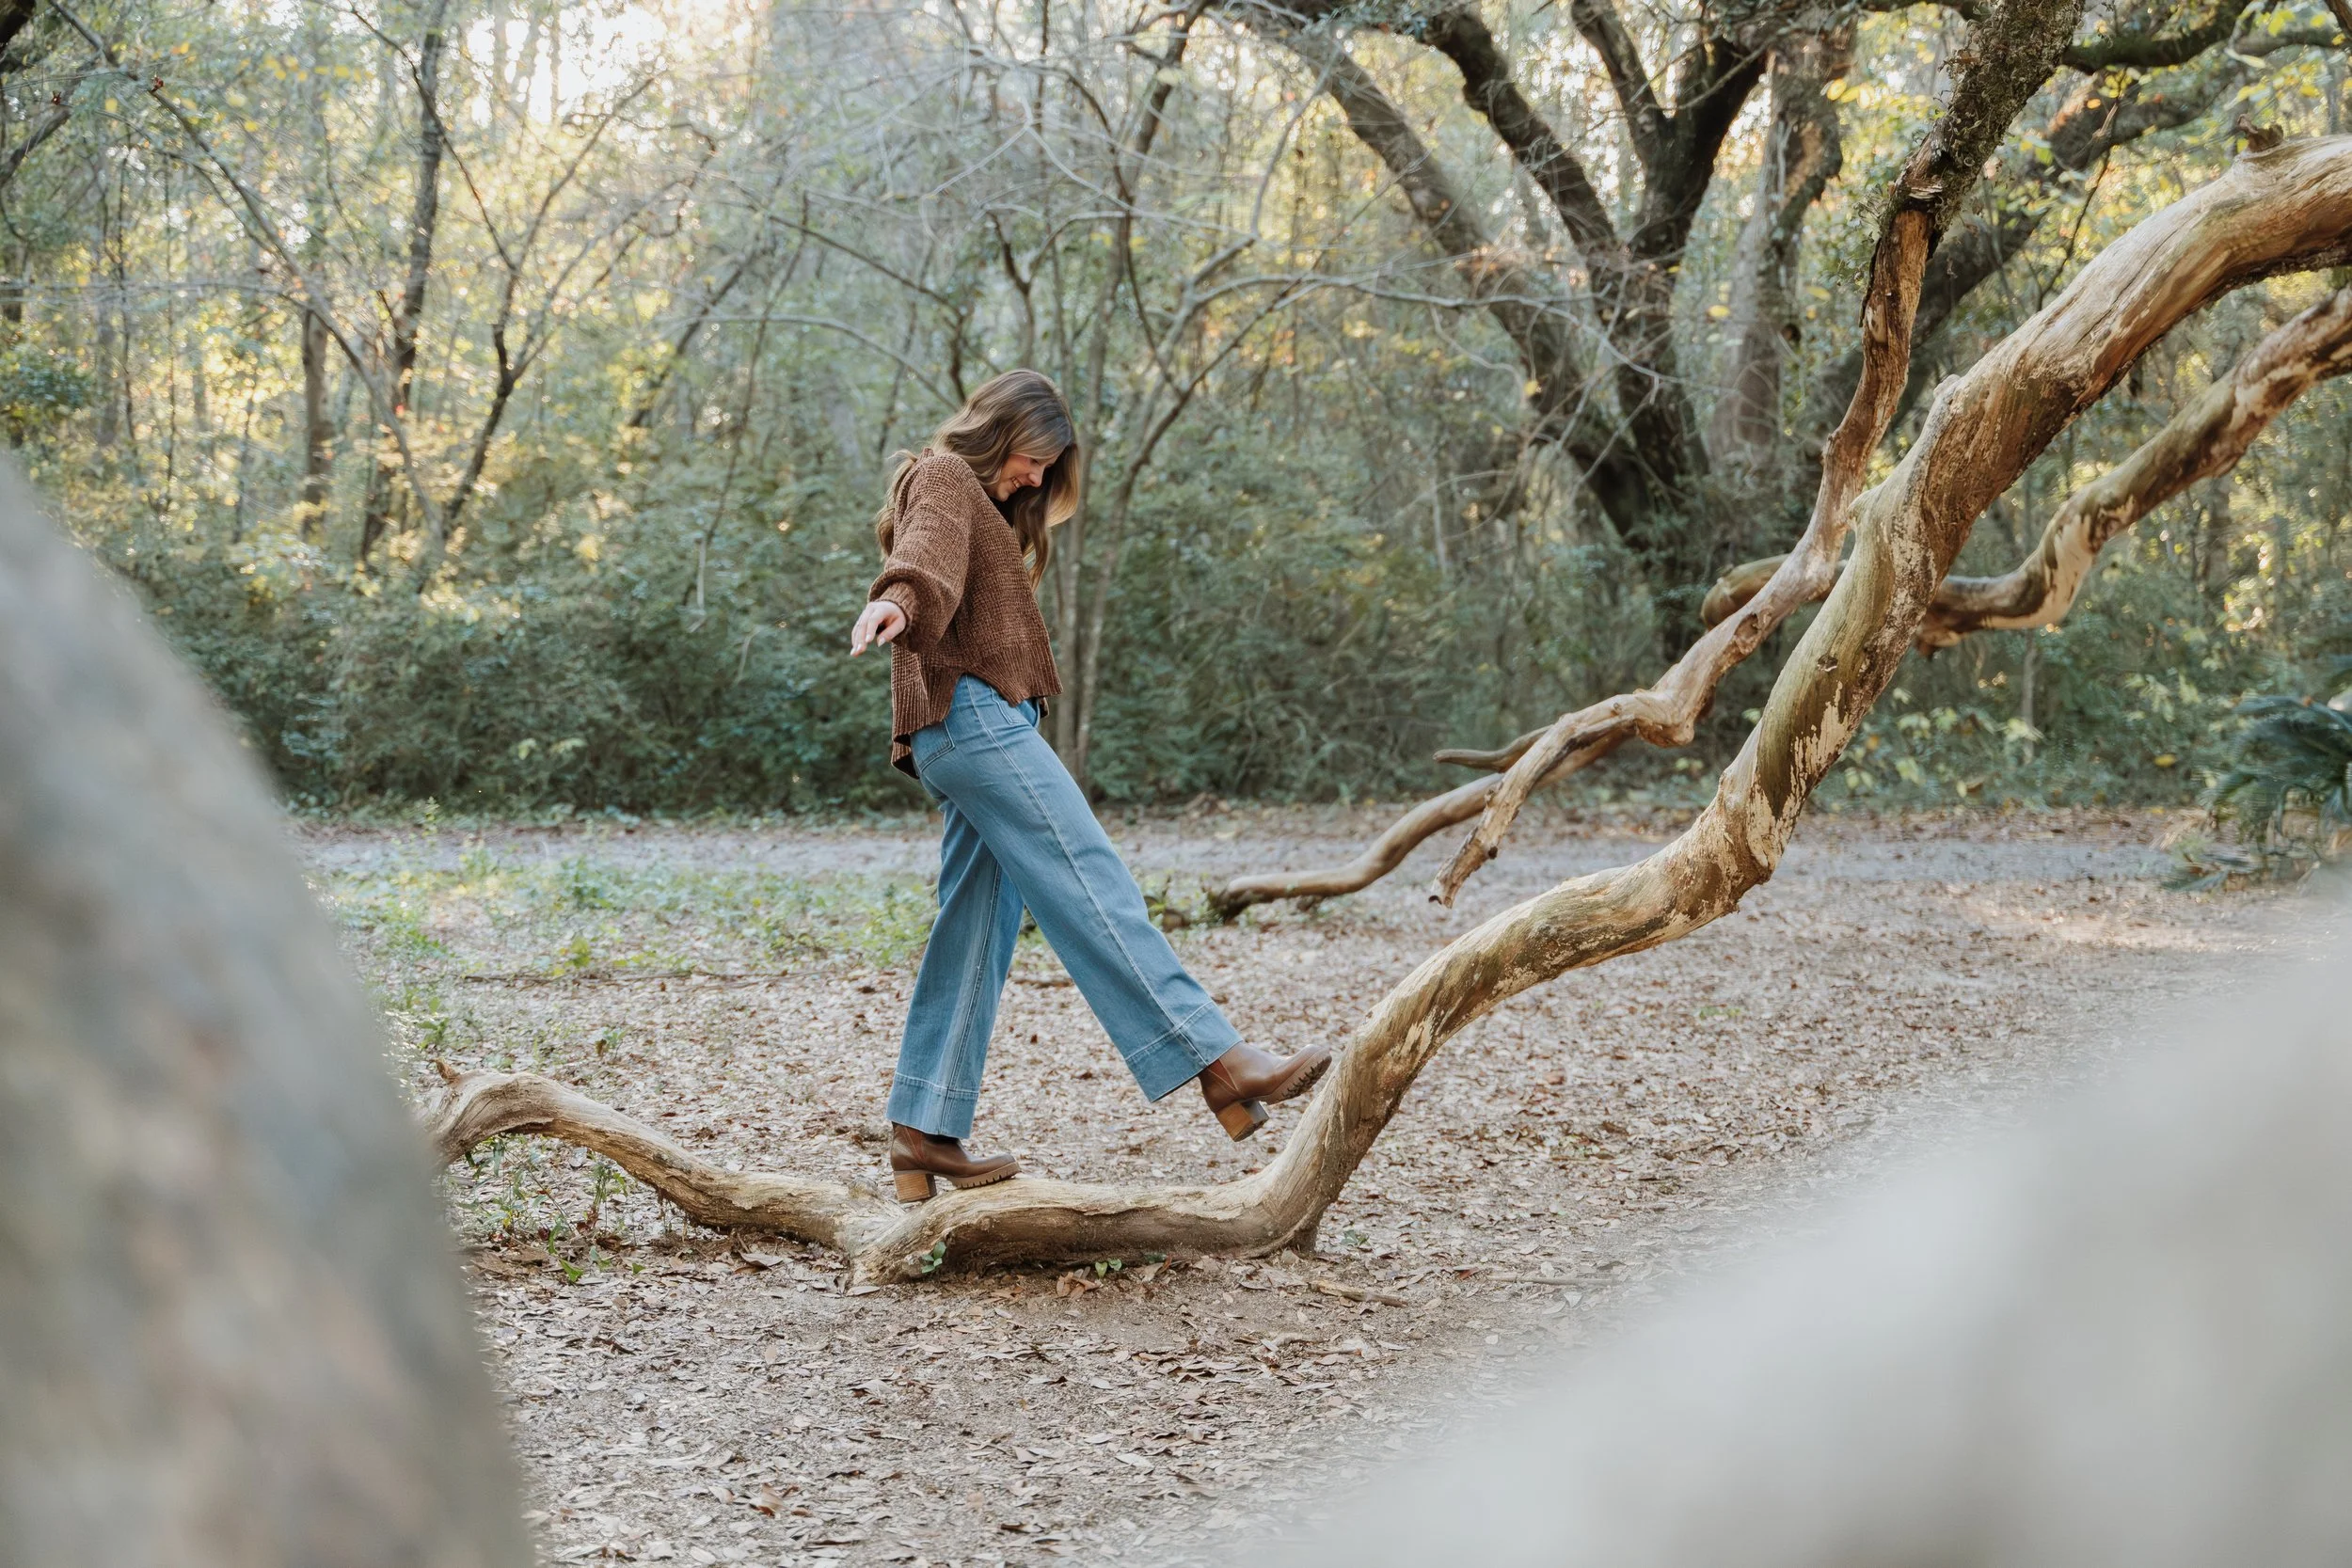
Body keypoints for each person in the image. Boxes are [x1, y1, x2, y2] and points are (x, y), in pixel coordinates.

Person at [848, 370, 1331, 1202]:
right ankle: (1218, 1058)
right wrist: (898, 599)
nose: (1037, 479)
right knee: (1090, 875)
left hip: (962, 730)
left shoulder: (986, 503)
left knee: (976, 921)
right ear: (997, 431)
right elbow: (922, 552)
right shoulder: (946, 475)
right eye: (1033, 458)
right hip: (974, 721)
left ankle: (923, 1128)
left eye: (1048, 468)